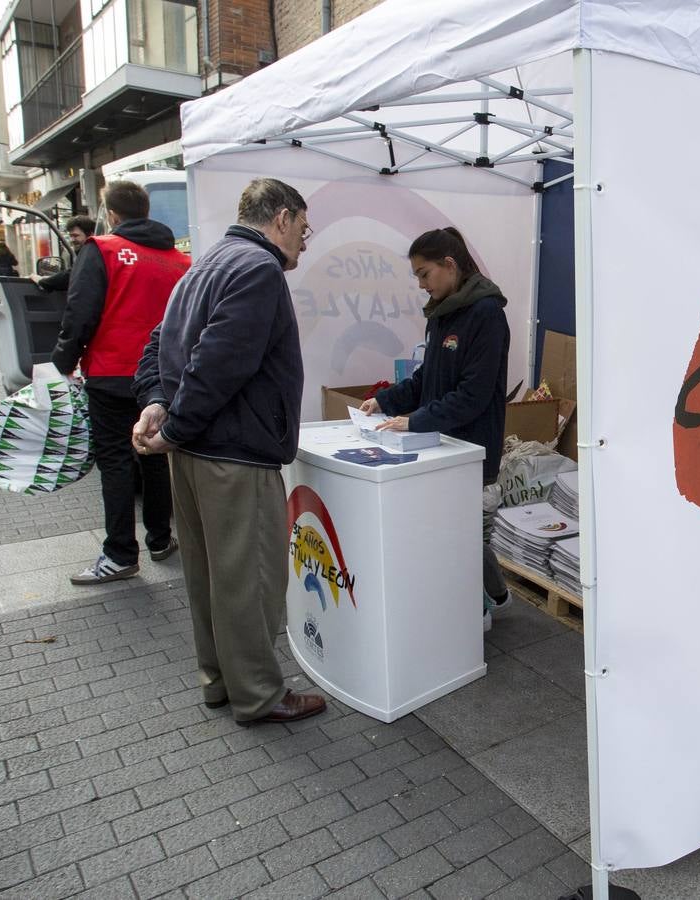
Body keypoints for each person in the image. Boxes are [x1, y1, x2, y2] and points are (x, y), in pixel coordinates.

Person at [132, 177, 326, 726]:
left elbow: (158, 346)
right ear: (282, 218)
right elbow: (219, 363)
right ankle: (260, 695)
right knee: (251, 579)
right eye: (304, 230)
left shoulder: (206, 263)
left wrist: (156, 407)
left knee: (208, 576)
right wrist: (174, 423)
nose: (304, 243)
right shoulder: (258, 269)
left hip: (194, 454)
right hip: (234, 455)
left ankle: (219, 681)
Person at [359, 226, 512, 630]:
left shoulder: (486, 315)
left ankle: (476, 614)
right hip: (439, 443)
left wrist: (414, 420)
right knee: (458, 532)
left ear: (449, 265)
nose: (422, 285)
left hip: (473, 449)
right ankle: (494, 595)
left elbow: (473, 395)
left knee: (462, 535)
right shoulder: (442, 315)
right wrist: (386, 399)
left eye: (425, 274)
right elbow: (428, 377)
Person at [53, 182, 189, 586]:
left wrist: (63, 360)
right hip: (161, 379)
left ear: (111, 214)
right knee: (153, 455)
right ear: (146, 211)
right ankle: (161, 539)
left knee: (114, 461)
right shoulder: (180, 261)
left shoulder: (103, 250)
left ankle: (119, 554)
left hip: (111, 374)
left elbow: (80, 312)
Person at [34, 215, 95, 293]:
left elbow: (71, 276)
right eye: (71, 236)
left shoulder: (92, 253)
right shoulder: (87, 251)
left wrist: (42, 281)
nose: (72, 240)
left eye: (76, 236)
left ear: (90, 234)